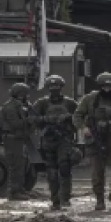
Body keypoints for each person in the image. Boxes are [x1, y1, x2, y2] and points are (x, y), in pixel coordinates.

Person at [73, 72, 111, 211]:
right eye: (104, 86)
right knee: (97, 170)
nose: (107, 89)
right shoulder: (89, 99)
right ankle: (99, 198)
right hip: (95, 138)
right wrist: (83, 128)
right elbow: (77, 115)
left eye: (109, 86)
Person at [31, 75, 80, 210]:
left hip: (65, 139)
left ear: (61, 87)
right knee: (51, 171)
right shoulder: (42, 103)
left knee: (64, 167)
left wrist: (68, 118)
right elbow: (32, 119)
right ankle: (55, 200)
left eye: (57, 87)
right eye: (52, 88)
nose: (54, 90)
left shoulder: (70, 103)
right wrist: (47, 119)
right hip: (48, 139)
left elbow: (80, 117)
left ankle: (65, 198)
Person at [1, 82, 33, 201]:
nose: (25, 96)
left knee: (22, 164)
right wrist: (28, 119)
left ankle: (20, 189)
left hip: (18, 139)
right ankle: (14, 192)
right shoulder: (10, 107)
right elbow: (16, 124)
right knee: (16, 165)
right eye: (23, 94)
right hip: (12, 138)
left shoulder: (20, 105)